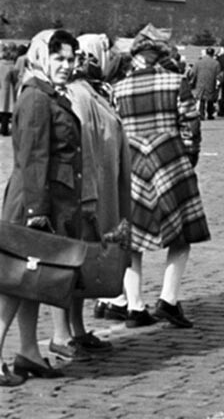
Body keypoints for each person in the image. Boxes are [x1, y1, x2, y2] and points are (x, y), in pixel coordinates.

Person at [110, 27, 211, 329]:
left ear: (135, 54)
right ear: (161, 54)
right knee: (181, 235)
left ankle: (135, 305)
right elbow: (190, 124)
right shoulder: (175, 81)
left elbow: (114, 131)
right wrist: (188, 157)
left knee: (132, 239)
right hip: (169, 160)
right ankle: (168, 299)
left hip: (132, 162)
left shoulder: (119, 88)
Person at [0, 29, 83, 384]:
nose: (66, 65)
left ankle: (29, 352)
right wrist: (37, 212)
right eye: (59, 58)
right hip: (34, 203)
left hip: (49, 200)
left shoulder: (50, 94)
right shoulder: (36, 97)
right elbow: (33, 158)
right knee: (15, 282)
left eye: (71, 59)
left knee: (33, 280)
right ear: (41, 57)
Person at [48, 34, 131, 361]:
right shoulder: (78, 96)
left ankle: (78, 328)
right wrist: (89, 197)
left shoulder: (95, 93)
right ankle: (60, 333)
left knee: (84, 263)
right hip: (85, 194)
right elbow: (79, 149)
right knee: (68, 261)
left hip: (103, 187)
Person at [193, 48, 221, 121]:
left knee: (201, 98)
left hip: (200, 82)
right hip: (211, 82)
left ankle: (201, 114)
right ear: (213, 54)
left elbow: (193, 72)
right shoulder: (216, 63)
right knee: (210, 99)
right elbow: (218, 75)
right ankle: (210, 114)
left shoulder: (198, 62)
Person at [0, 44, 19, 137]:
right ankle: (4, 130)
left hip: (0, 89)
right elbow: (15, 79)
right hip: (8, 91)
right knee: (6, 111)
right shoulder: (12, 67)